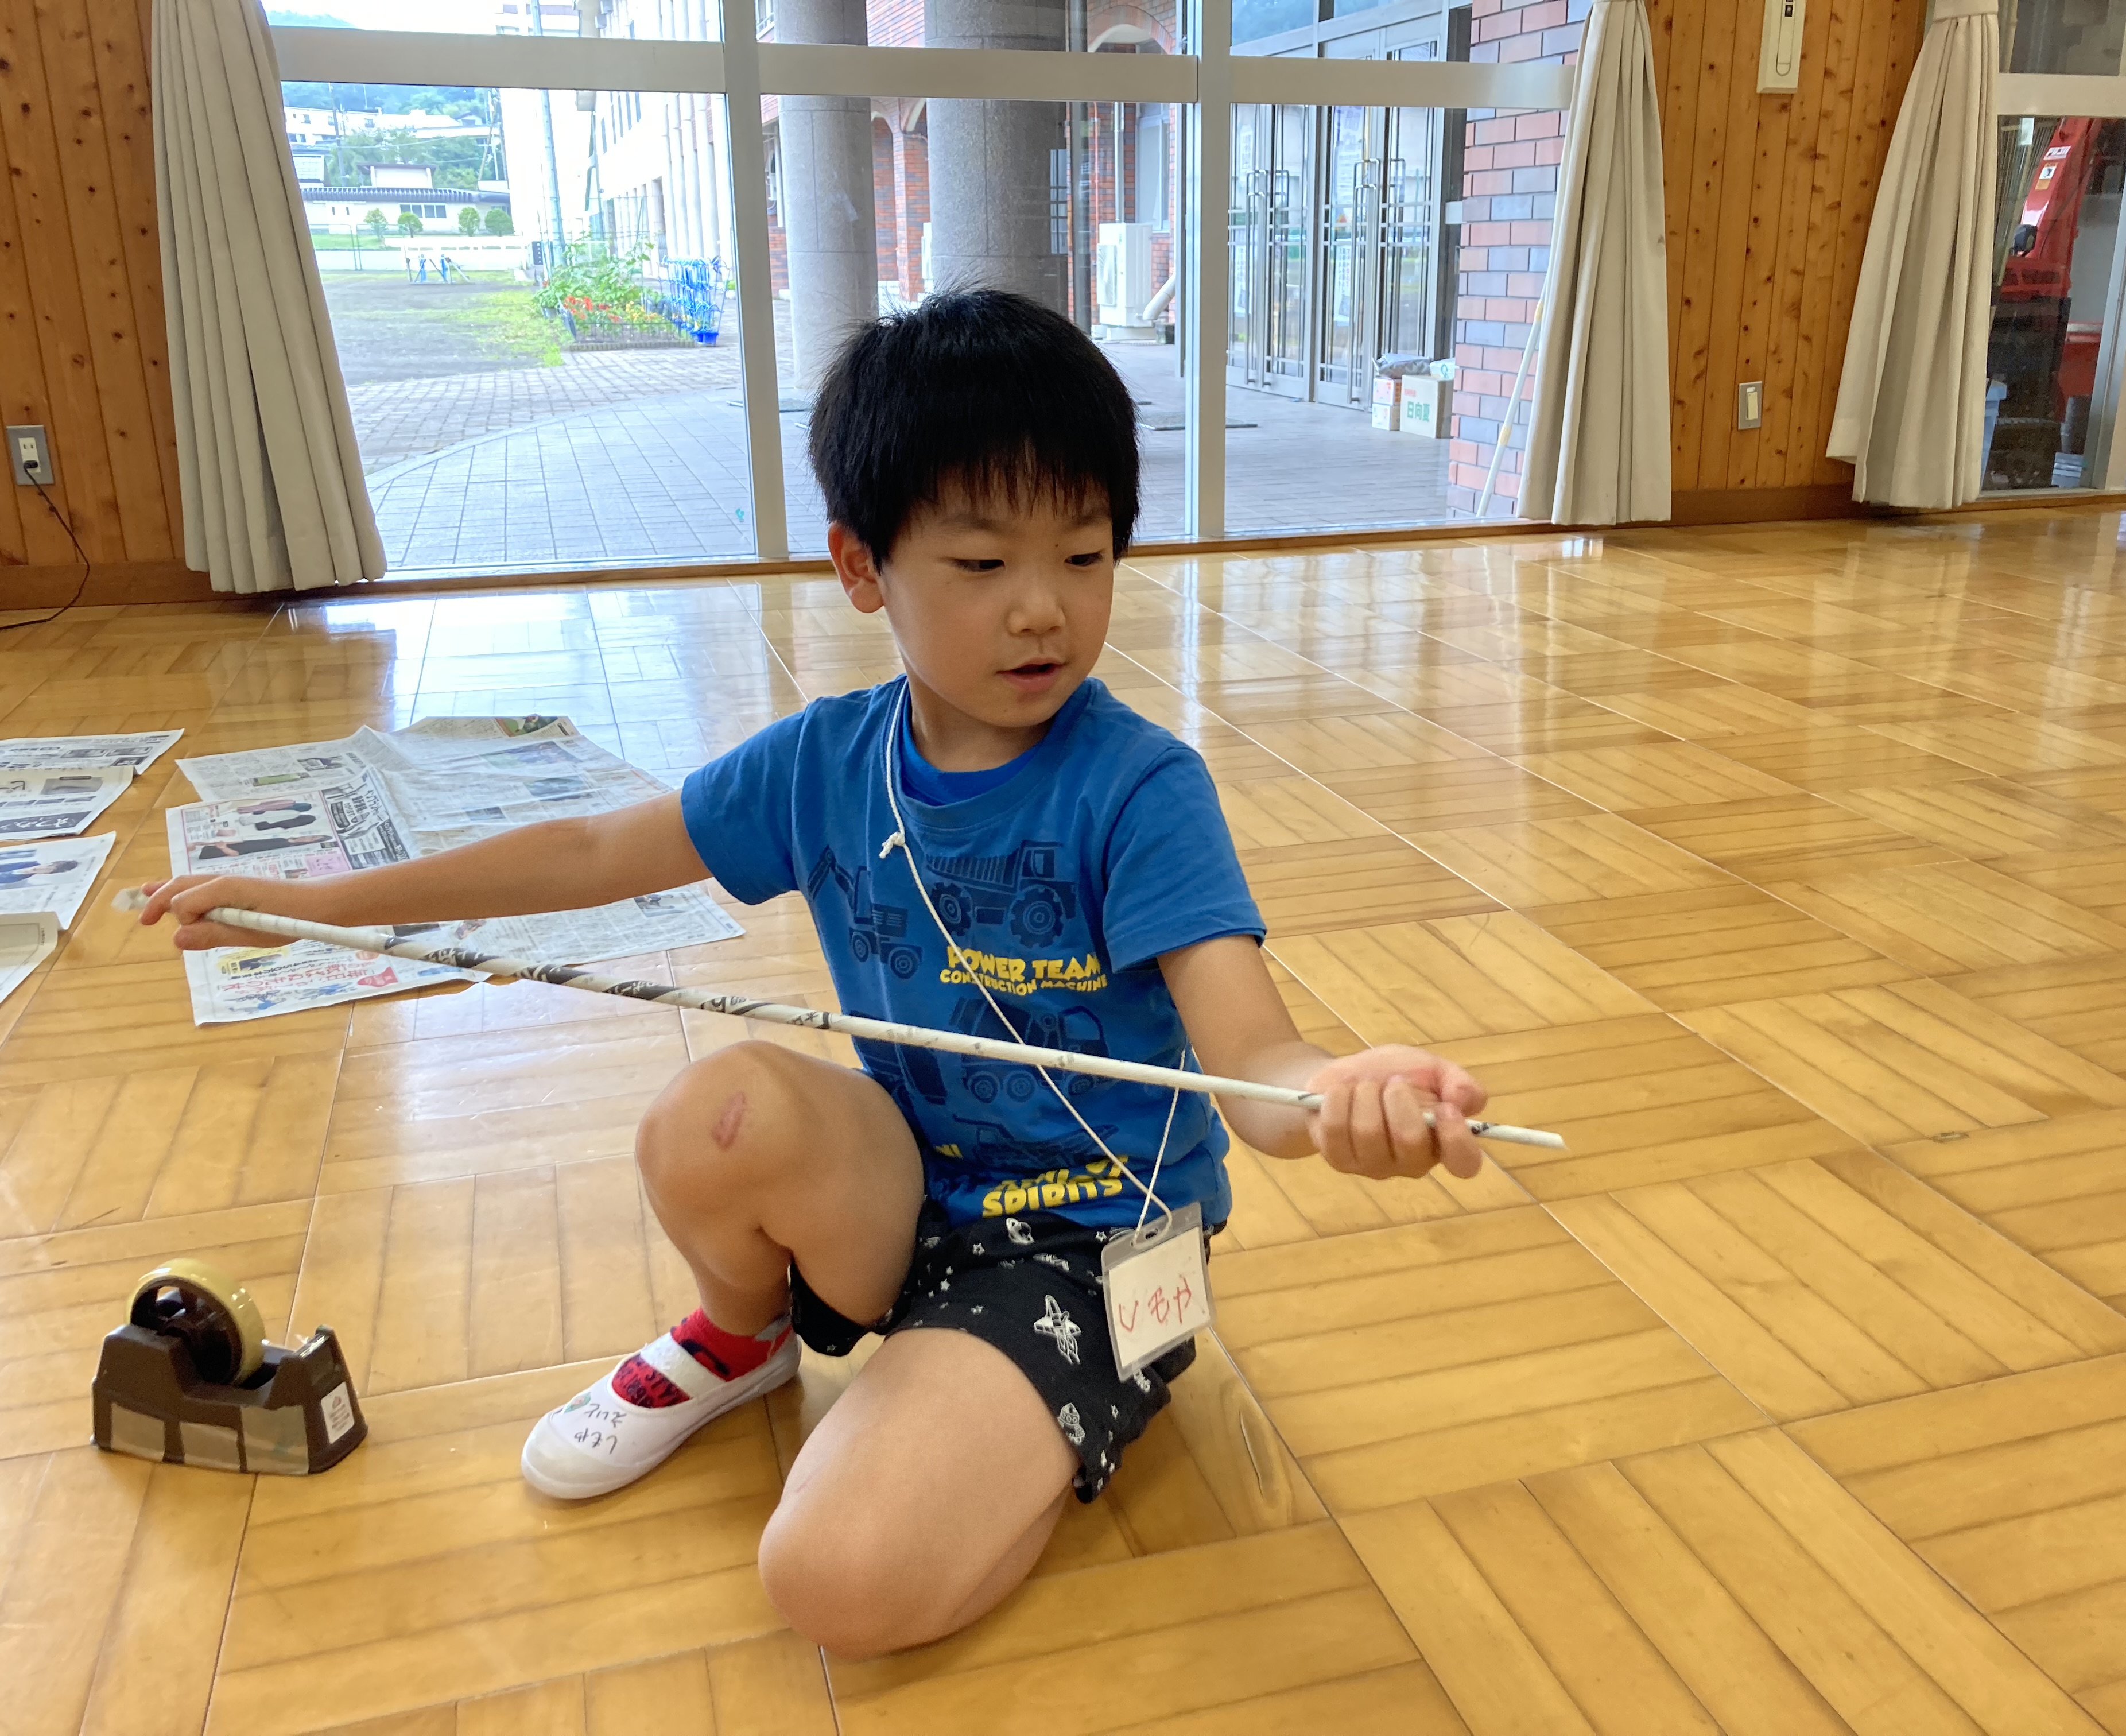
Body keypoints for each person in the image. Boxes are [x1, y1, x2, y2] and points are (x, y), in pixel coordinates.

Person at [141, 289, 1492, 1660]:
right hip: (899, 1187)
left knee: (836, 1580)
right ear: (861, 566)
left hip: (1091, 1242)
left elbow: (1255, 1068)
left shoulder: (1145, 790)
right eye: (981, 562)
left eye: (1085, 555)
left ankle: (1024, 1398)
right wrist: (314, 906)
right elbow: (595, 849)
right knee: (716, 1112)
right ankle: (747, 1340)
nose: (1044, 608)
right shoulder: (826, 761)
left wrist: (1340, 1096)